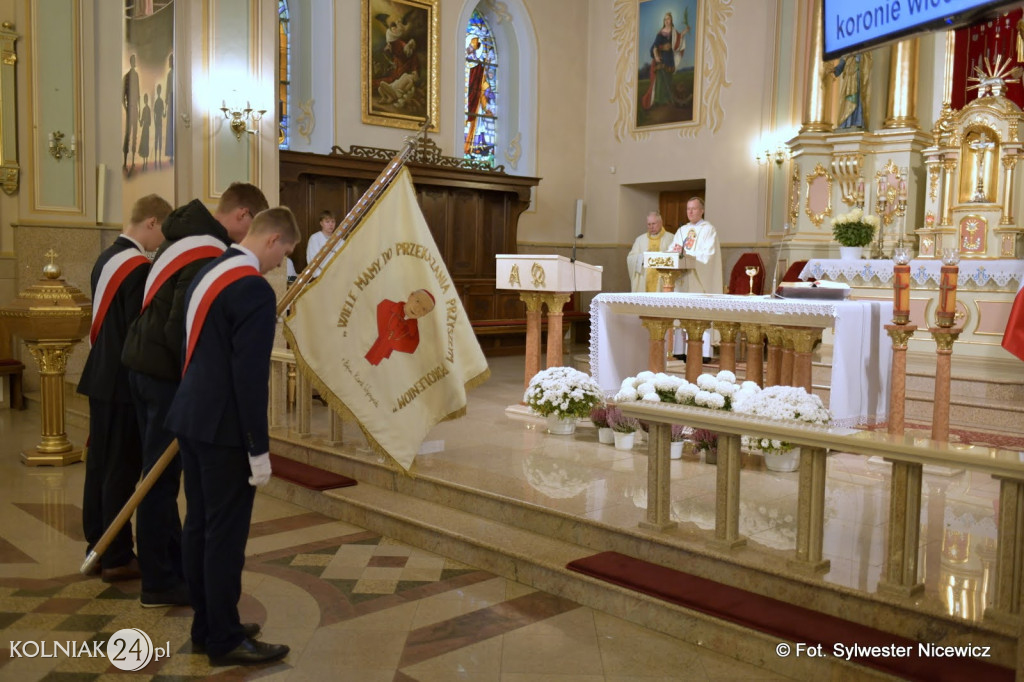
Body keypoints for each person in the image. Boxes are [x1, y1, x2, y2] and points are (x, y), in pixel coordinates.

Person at [121, 182, 269, 608]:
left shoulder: (183, 235)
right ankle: (159, 580)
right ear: (242, 215)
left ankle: (167, 569)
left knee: (158, 477)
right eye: (249, 227)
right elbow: (180, 329)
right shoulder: (207, 249)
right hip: (166, 377)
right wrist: (203, 382)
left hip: (144, 365)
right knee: (159, 482)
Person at [165, 207, 300, 667]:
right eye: (284, 253)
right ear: (272, 238)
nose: (281, 264)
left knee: (199, 525)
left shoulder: (210, 270)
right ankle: (224, 639)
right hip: (224, 430)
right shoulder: (252, 288)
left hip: (191, 415)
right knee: (224, 536)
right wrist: (256, 447)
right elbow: (250, 376)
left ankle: (208, 626)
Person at [77, 194, 171, 582]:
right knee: (120, 469)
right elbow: (139, 334)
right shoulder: (136, 268)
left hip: (100, 376)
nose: (161, 242)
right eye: (162, 233)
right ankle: (116, 555)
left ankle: (97, 545)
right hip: (121, 383)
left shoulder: (106, 259)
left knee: (99, 467)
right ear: (151, 222)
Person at [671, 197, 724, 358]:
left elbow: (708, 256)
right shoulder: (682, 230)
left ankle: (703, 353)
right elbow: (672, 249)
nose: (690, 212)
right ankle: (680, 351)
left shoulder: (709, 230)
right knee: (681, 314)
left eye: (694, 208)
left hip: (699, 280)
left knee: (699, 314)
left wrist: (687, 254)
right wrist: (676, 251)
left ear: (702, 210)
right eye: (688, 209)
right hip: (682, 279)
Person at [365, 289, 436, 365]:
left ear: (425, 314)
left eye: (424, 309)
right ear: (411, 295)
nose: (417, 309)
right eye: (417, 301)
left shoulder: (414, 339)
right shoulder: (384, 305)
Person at [640, 11, 691, 110]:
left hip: (669, 59)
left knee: (668, 79)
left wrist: (684, 32)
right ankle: (659, 100)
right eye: (665, 19)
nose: (667, 21)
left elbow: (678, 42)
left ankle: (668, 99)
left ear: (671, 20)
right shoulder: (660, 33)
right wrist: (658, 53)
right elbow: (654, 47)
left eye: (668, 19)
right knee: (660, 80)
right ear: (664, 21)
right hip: (662, 59)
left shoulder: (674, 32)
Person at [626, 211, 675, 292]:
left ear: (661, 223)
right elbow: (630, 259)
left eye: (654, 224)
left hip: (663, 282)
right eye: (649, 224)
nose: (651, 227)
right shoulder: (640, 240)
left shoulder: (671, 238)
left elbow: (676, 259)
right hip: (644, 280)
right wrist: (642, 257)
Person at [305, 210, 341, 278]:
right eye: (327, 222)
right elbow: (312, 260)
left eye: (333, 221)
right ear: (321, 223)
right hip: (321, 277)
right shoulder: (315, 238)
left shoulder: (339, 240)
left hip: (338, 275)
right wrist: (321, 276)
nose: (331, 224)